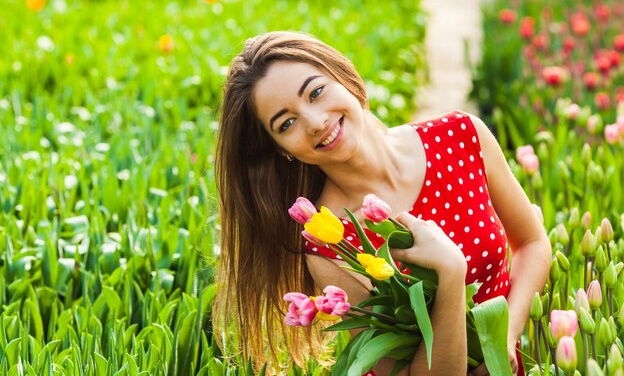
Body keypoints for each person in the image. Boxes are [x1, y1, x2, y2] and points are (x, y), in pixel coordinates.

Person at [213, 31, 551, 375]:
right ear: (282, 150)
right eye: (286, 123)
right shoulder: (331, 243)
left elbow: (532, 242)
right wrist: (450, 275)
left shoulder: (460, 136)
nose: (315, 123)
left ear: (343, 76)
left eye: (316, 92)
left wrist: (504, 337)